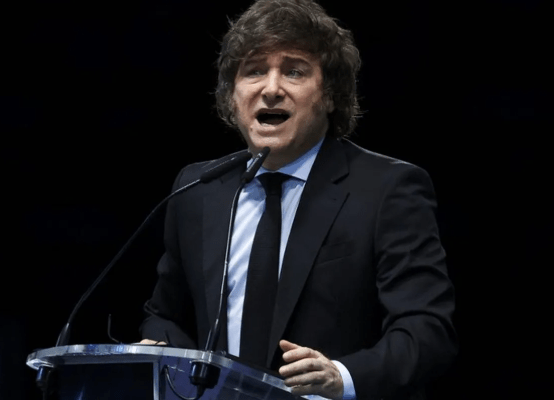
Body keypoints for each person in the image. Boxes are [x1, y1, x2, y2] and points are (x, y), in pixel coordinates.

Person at [139, 1, 457, 399]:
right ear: (231, 97)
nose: (271, 89)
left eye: (294, 71)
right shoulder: (199, 188)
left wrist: (341, 377)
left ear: (330, 95)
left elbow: (426, 332)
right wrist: (162, 347)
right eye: (254, 71)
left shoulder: (387, 189)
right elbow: (165, 315)